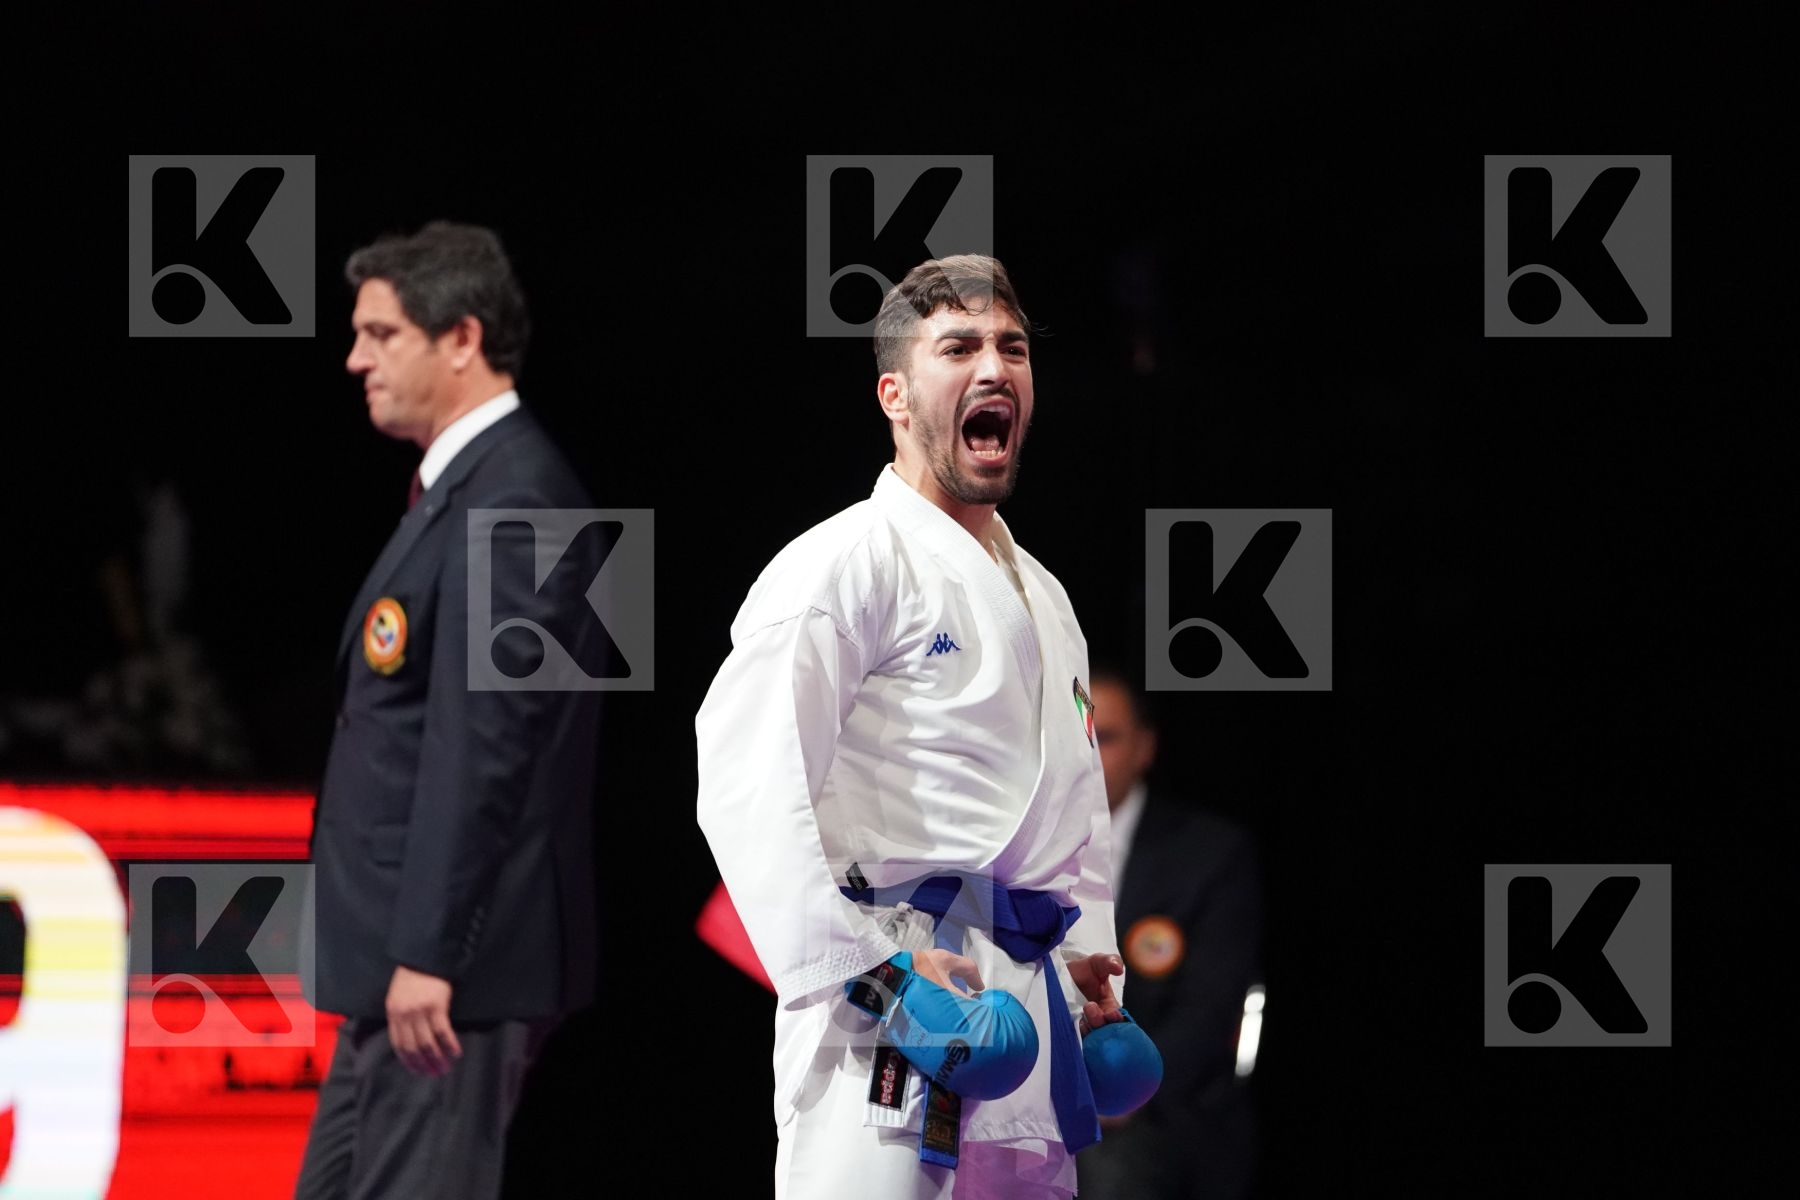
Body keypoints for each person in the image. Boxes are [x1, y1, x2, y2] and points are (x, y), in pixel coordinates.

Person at [695, 254, 1130, 1200]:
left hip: (1022, 1019)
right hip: (890, 1012)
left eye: (1013, 348)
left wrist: (1087, 970)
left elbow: (1077, 815)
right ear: (894, 395)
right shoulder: (841, 566)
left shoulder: (1048, 598)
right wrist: (876, 975)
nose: (995, 367)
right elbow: (745, 792)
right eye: (959, 347)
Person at [294, 221, 604, 1200]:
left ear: (461, 338)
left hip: (448, 978)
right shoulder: (466, 491)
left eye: (381, 334)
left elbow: (489, 750)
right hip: (401, 968)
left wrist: (431, 954)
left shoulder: (519, 501)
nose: (357, 359)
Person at [1073, 666, 1264, 1200]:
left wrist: (1122, 1086)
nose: (1089, 753)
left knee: (1114, 1169)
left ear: (1145, 747)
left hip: (1152, 1107)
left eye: (1107, 737)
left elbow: (1209, 1007)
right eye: (1077, 734)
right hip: (1036, 1088)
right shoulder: (1017, 846)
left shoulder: (1209, 854)